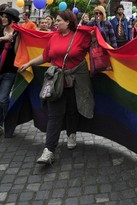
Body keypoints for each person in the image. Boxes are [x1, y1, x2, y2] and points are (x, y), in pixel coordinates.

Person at [18, 10, 93, 164]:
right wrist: (30, 63)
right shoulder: (54, 37)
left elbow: (96, 47)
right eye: (56, 21)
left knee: (72, 111)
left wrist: (94, 35)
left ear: (68, 22)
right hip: (55, 82)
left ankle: (71, 134)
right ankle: (49, 150)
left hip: (76, 81)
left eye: (59, 21)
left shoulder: (81, 36)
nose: (56, 23)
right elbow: (46, 56)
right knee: (54, 115)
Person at [0, 7, 21, 141]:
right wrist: (3, 39)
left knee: (2, 99)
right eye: (2, 16)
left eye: (5, 16)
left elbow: (18, 51)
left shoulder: (18, 33)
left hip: (9, 71)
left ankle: (9, 121)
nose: (2, 18)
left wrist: (12, 40)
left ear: (12, 19)